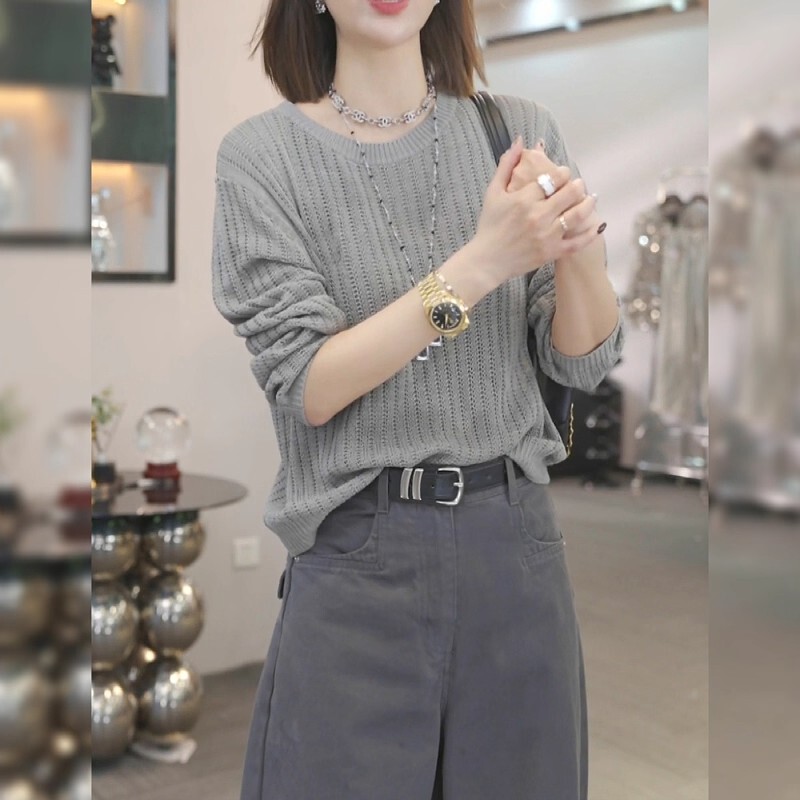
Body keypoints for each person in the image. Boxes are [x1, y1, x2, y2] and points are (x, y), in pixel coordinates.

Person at [211, 1, 624, 798]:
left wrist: (578, 251)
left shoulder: (517, 132)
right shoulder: (263, 158)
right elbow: (309, 385)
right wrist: (482, 263)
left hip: (514, 549)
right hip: (359, 557)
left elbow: (583, 358)